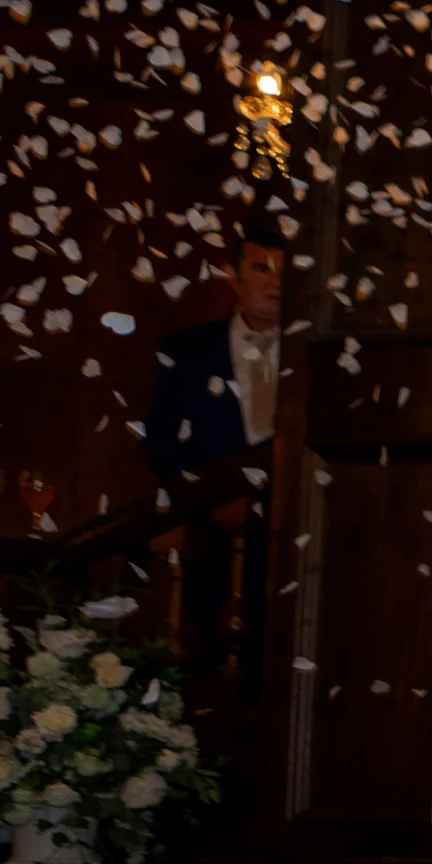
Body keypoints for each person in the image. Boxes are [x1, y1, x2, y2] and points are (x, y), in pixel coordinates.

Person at [143, 209, 282, 667]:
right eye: (260, 267)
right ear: (234, 276)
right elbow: (160, 441)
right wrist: (203, 499)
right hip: (214, 540)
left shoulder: (314, 354)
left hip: (293, 542)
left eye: (284, 269)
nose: (273, 280)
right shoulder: (185, 351)